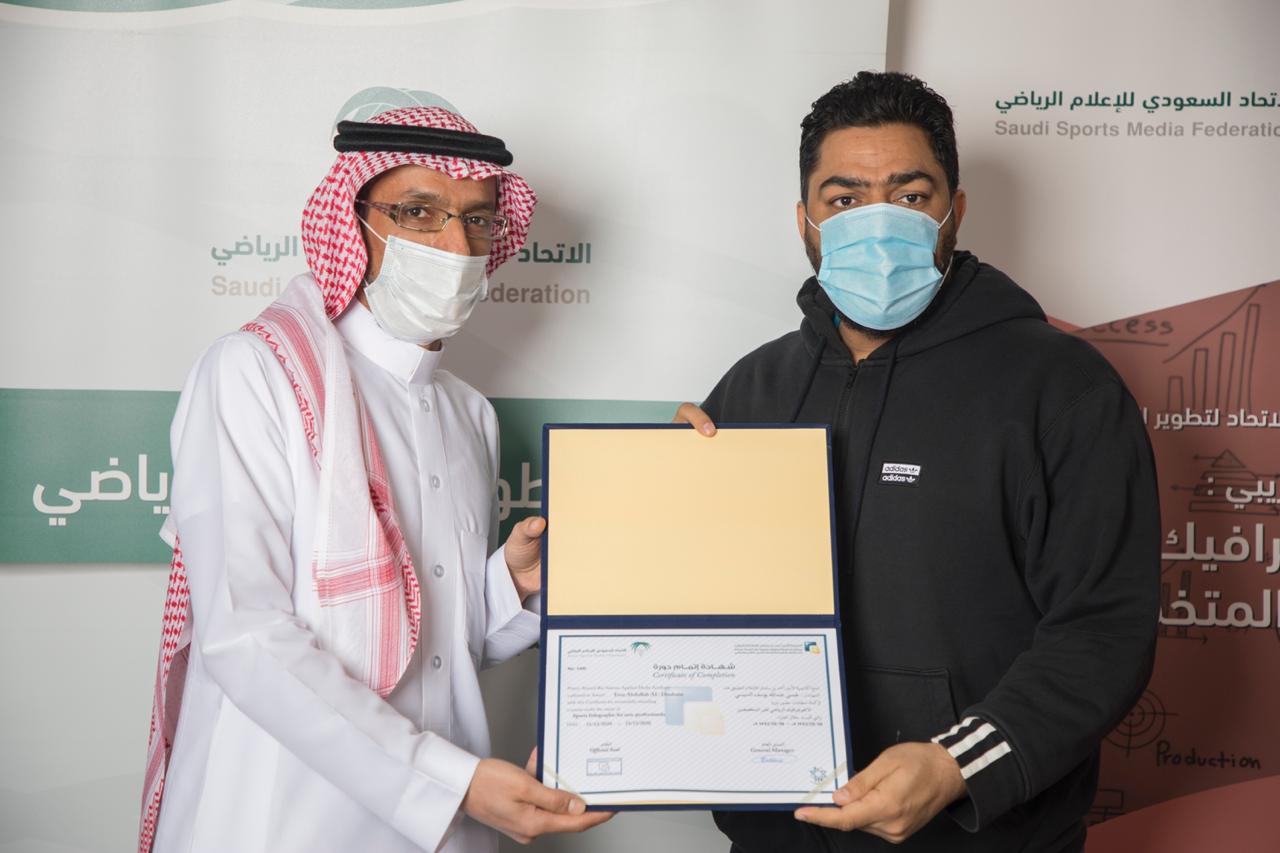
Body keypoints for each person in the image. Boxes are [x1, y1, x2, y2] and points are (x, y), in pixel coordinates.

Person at [676, 71, 1159, 852]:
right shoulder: (752, 387)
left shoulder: (1062, 389)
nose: (877, 222)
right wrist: (657, 497)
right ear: (804, 220)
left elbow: (1102, 631)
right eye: (844, 198)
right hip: (777, 836)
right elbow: (684, 604)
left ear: (953, 210)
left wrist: (956, 764)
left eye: (908, 195)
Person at [138, 88, 610, 853]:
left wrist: (512, 586)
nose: (456, 245)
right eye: (419, 212)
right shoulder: (257, 373)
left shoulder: (469, 413)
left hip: (450, 828)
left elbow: (433, 646)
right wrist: (451, 782)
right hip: (283, 822)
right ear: (353, 220)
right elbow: (245, 635)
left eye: (477, 219)